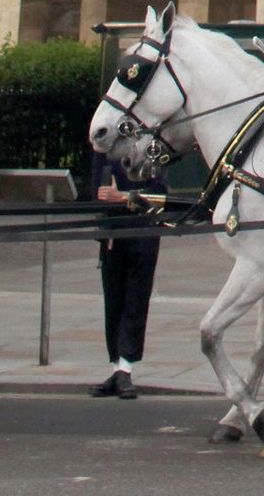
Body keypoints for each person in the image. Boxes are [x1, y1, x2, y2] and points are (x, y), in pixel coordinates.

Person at [86, 141, 167, 399]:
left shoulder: (151, 147)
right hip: (113, 234)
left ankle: (126, 369)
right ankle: (116, 367)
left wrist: (122, 197)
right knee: (114, 301)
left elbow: (160, 195)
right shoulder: (104, 150)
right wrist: (104, 227)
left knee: (135, 300)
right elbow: (96, 190)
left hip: (142, 233)